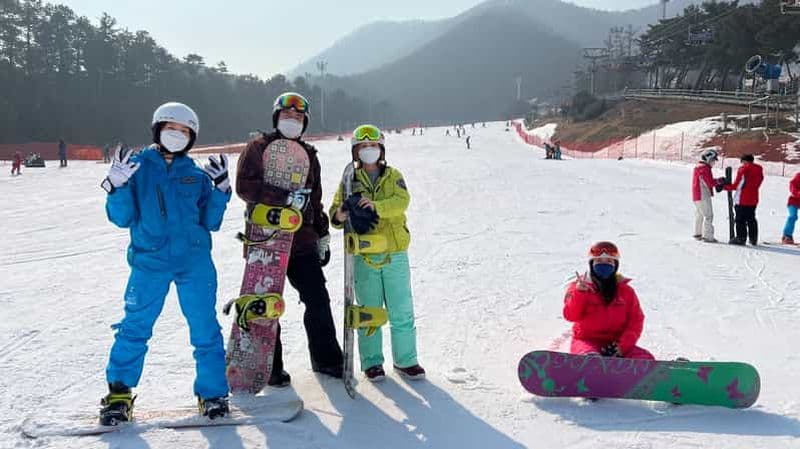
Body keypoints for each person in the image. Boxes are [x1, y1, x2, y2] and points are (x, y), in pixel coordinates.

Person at [99, 102, 232, 424]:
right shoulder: (137, 168)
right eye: (172, 128)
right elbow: (122, 218)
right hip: (150, 261)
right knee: (135, 327)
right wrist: (116, 187)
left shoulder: (196, 175)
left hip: (194, 261)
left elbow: (210, 222)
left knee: (205, 328)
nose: (177, 135)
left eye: (185, 131)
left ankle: (212, 394)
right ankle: (119, 393)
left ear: (192, 138)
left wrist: (221, 191)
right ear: (158, 130)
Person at [236, 92, 343, 386]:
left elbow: (316, 199)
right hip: (267, 238)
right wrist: (283, 197)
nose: (292, 121)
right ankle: (269, 366)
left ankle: (327, 359)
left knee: (317, 298)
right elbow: (245, 187)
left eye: (298, 118)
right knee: (268, 302)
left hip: (302, 239)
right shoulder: (258, 148)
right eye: (287, 116)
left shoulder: (309, 155)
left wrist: (322, 233)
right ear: (276, 118)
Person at [330, 124, 425, 382]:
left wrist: (376, 206)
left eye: (373, 145)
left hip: (394, 251)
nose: (368, 150)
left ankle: (406, 360)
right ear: (355, 151)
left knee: (401, 308)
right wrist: (341, 214)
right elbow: (335, 213)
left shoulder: (393, 175)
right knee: (369, 310)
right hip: (364, 254)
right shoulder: (350, 179)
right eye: (363, 146)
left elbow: (401, 201)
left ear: (381, 148)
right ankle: (372, 362)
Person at [563, 242, 654, 360]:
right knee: (591, 359)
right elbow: (570, 315)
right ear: (592, 265)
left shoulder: (626, 291)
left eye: (609, 262)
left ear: (615, 266)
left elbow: (635, 321)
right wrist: (580, 293)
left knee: (645, 359)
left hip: (616, 344)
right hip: (587, 341)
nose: (604, 265)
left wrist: (622, 346)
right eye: (599, 261)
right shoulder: (579, 287)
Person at [725, 154, 764, 245]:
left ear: (744, 161)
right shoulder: (759, 169)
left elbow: (737, 185)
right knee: (751, 219)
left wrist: (725, 187)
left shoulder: (744, 169)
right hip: (753, 198)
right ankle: (753, 238)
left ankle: (741, 238)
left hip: (742, 198)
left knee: (740, 219)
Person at [692, 149, 725, 243]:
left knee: (700, 214)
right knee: (708, 215)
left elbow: (707, 181)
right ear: (707, 158)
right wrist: (719, 181)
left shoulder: (698, 167)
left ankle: (698, 233)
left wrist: (717, 181)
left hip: (697, 195)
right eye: (713, 160)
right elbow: (709, 183)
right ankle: (708, 236)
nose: (713, 162)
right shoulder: (704, 168)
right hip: (703, 195)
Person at [781, 172, 800, 244]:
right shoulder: (798, 176)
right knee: (793, 216)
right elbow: (792, 185)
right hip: (794, 201)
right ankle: (787, 236)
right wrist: (798, 193)